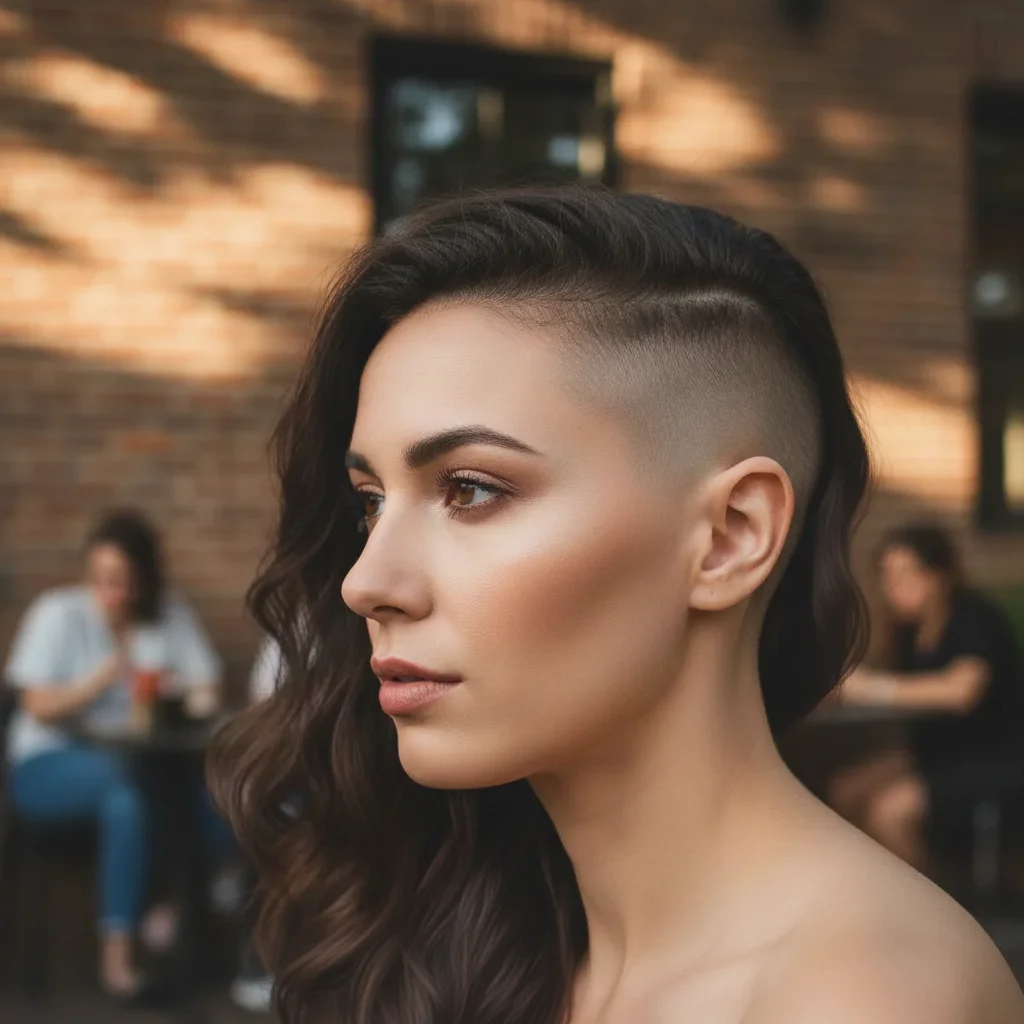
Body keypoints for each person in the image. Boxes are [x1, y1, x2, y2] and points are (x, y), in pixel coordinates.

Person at [209, 188, 1024, 1024]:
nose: (364, 582)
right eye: (371, 502)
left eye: (471, 489)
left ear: (729, 538)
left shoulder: (869, 998)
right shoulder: (486, 938)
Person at [4, 509, 222, 999]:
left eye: (126, 582)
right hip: (47, 764)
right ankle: (140, 934)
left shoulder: (168, 613)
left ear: (146, 580)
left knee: (196, 798)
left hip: (139, 765)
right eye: (104, 580)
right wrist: (102, 679)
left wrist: (176, 692)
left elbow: (207, 686)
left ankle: (168, 922)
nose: (115, 593)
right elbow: (35, 705)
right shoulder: (57, 613)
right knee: (135, 789)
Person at [831, 523, 1023, 872]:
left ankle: (938, 905)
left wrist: (871, 687)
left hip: (991, 762)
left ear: (938, 576)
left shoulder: (975, 617)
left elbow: (961, 691)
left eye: (904, 575)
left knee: (889, 812)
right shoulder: (909, 631)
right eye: (887, 577)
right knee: (845, 790)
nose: (893, 589)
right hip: (937, 755)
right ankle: (882, 893)